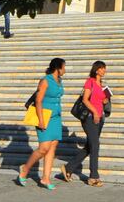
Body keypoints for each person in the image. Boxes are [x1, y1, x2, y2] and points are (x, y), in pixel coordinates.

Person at [18, 57, 66, 190]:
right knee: (44, 148)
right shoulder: (45, 80)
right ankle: (25, 169)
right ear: (58, 68)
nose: (65, 70)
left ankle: (45, 178)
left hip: (56, 117)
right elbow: (38, 101)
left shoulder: (59, 81)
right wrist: (40, 120)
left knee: (52, 147)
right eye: (64, 67)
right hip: (44, 116)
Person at [62, 61, 108, 186]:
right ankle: (93, 177)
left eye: (105, 69)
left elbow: (100, 101)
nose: (104, 71)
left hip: (100, 118)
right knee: (95, 145)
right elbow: (85, 100)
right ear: (97, 69)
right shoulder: (90, 82)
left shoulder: (102, 85)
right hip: (89, 118)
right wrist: (94, 112)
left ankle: (68, 168)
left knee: (89, 146)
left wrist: (104, 101)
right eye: (102, 68)